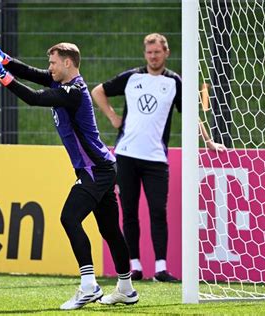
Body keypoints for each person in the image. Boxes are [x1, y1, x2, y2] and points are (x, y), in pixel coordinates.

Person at [0, 39, 139, 309]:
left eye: (53, 62)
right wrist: (4, 59)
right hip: (103, 167)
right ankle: (126, 289)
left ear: (67, 63)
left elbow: (33, 98)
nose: (49, 67)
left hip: (95, 170)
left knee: (69, 217)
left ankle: (89, 285)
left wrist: (1, 75)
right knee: (109, 229)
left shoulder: (73, 91)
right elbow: (31, 73)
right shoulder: (61, 83)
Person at [92, 33, 226, 282]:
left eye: (158, 52)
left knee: (157, 212)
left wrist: (207, 141)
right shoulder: (132, 78)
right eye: (149, 52)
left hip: (156, 160)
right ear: (145, 54)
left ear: (166, 53)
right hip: (126, 156)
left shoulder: (175, 82)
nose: (153, 56)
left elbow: (190, 114)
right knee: (129, 212)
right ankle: (134, 266)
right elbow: (98, 91)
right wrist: (112, 117)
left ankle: (161, 269)